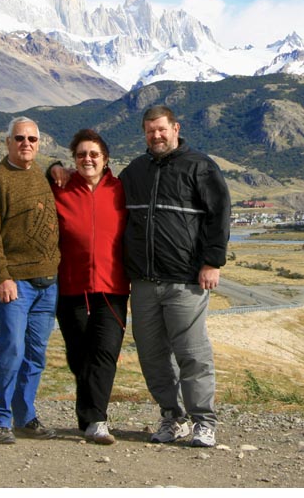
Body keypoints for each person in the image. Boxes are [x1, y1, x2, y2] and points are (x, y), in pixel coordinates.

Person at [119, 105, 231, 448]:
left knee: (192, 353)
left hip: (185, 281)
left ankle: (204, 421)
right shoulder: (134, 171)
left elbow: (219, 213)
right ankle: (172, 416)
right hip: (143, 282)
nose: (156, 136)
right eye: (150, 131)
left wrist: (212, 261)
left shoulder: (199, 166)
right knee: (152, 355)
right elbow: (99, 190)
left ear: (175, 128)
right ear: (144, 133)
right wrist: (57, 171)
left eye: (161, 129)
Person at [0, 116, 61, 445]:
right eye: (20, 138)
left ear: (39, 144)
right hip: (16, 284)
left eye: (32, 140)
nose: (26, 144)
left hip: (48, 283)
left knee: (35, 354)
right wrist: (1, 276)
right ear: (7, 141)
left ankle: (24, 415)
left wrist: (58, 167)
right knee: (11, 349)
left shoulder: (40, 174)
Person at [49, 129, 129, 445]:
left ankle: (96, 420)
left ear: (105, 158)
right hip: (72, 287)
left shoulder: (121, 190)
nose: (88, 159)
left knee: (105, 353)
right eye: (81, 154)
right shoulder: (62, 189)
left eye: (94, 154)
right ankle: (88, 417)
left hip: (113, 288)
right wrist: (51, 167)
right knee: (79, 356)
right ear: (74, 159)